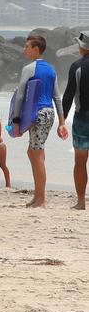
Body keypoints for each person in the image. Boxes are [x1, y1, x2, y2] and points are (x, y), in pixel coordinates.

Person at [12, 35, 68, 208]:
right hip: (49, 113)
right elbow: (57, 97)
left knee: (37, 157)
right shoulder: (51, 70)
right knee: (34, 152)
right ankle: (37, 197)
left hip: (37, 114)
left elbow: (21, 95)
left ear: (36, 49)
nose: (24, 49)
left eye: (27, 46)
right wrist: (61, 122)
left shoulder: (29, 68)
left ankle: (41, 200)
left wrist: (16, 120)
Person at [62, 31, 89, 210]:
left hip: (82, 119)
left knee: (80, 161)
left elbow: (69, 95)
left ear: (82, 47)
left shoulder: (77, 66)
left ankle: (81, 202)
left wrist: (62, 120)